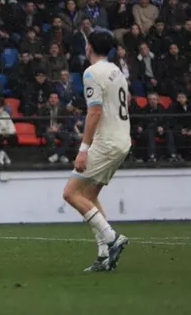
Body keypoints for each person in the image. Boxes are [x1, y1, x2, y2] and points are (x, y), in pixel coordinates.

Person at [61, 31, 131, 273]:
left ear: (89, 47)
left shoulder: (92, 72)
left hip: (106, 143)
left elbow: (95, 112)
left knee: (70, 193)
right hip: (122, 140)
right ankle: (104, 256)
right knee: (89, 195)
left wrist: (83, 149)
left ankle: (112, 239)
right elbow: (125, 101)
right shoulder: (116, 71)